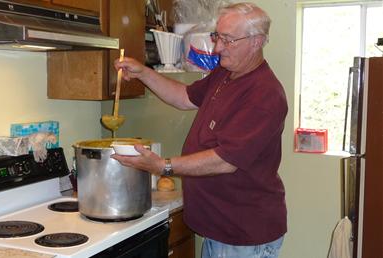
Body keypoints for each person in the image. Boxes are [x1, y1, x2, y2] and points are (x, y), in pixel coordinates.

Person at [112, 2, 288, 258]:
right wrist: (144, 73)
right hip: (222, 230)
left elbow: (225, 161)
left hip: (244, 235)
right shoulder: (225, 73)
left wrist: (164, 166)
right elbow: (184, 97)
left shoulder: (264, 94)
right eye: (217, 37)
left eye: (228, 40)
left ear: (256, 41)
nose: (217, 48)